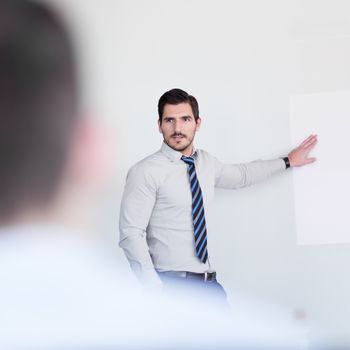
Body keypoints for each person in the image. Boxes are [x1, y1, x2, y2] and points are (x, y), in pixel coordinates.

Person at [119, 88, 317, 303]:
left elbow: (242, 175)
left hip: (209, 286)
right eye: (169, 120)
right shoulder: (145, 171)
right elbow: (131, 233)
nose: (177, 128)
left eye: (185, 119)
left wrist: (287, 161)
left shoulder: (205, 163)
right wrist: (155, 290)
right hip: (171, 286)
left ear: (197, 123)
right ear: (159, 125)